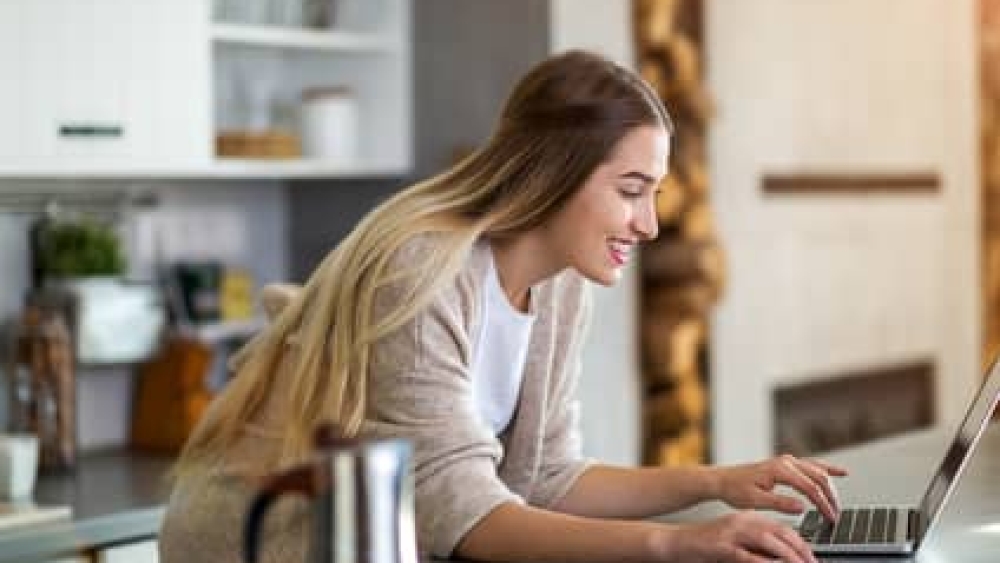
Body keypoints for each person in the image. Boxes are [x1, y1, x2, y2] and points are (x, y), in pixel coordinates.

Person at [160, 50, 845, 563]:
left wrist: (717, 481)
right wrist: (677, 542)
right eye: (632, 189)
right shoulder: (419, 269)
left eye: (655, 193)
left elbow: (546, 476)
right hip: (249, 545)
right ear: (558, 172)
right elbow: (463, 515)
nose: (649, 224)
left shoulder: (561, 282)